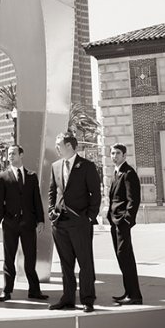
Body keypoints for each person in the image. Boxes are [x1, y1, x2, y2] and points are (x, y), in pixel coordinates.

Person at [48, 130, 101, 312]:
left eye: (58, 145)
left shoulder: (87, 166)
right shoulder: (55, 166)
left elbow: (96, 193)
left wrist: (89, 217)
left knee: (85, 263)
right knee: (65, 264)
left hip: (80, 223)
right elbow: (52, 192)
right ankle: (68, 299)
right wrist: (51, 212)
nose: (56, 148)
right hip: (60, 223)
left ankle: (87, 299)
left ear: (69, 146)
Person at [0, 144, 48, 302]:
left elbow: (36, 200)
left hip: (28, 224)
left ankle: (34, 290)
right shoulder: (2, 176)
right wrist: (1, 218)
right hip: (10, 224)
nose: (10, 156)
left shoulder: (31, 176)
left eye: (13, 153)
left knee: (30, 258)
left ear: (21, 155)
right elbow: (0, 201)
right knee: (8, 258)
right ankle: (7, 291)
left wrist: (40, 220)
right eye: (9, 154)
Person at [107, 144, 143, 305]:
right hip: (114, 222)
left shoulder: (128, 173)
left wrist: (126, 221)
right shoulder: (116, 173)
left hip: (122, 222)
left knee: (125, 257)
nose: (114, 156)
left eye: (118, 153)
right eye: (112, 153)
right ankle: (129, 292)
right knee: (122, 257)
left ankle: (135, 296)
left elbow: (133, 200)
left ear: (124, 155)